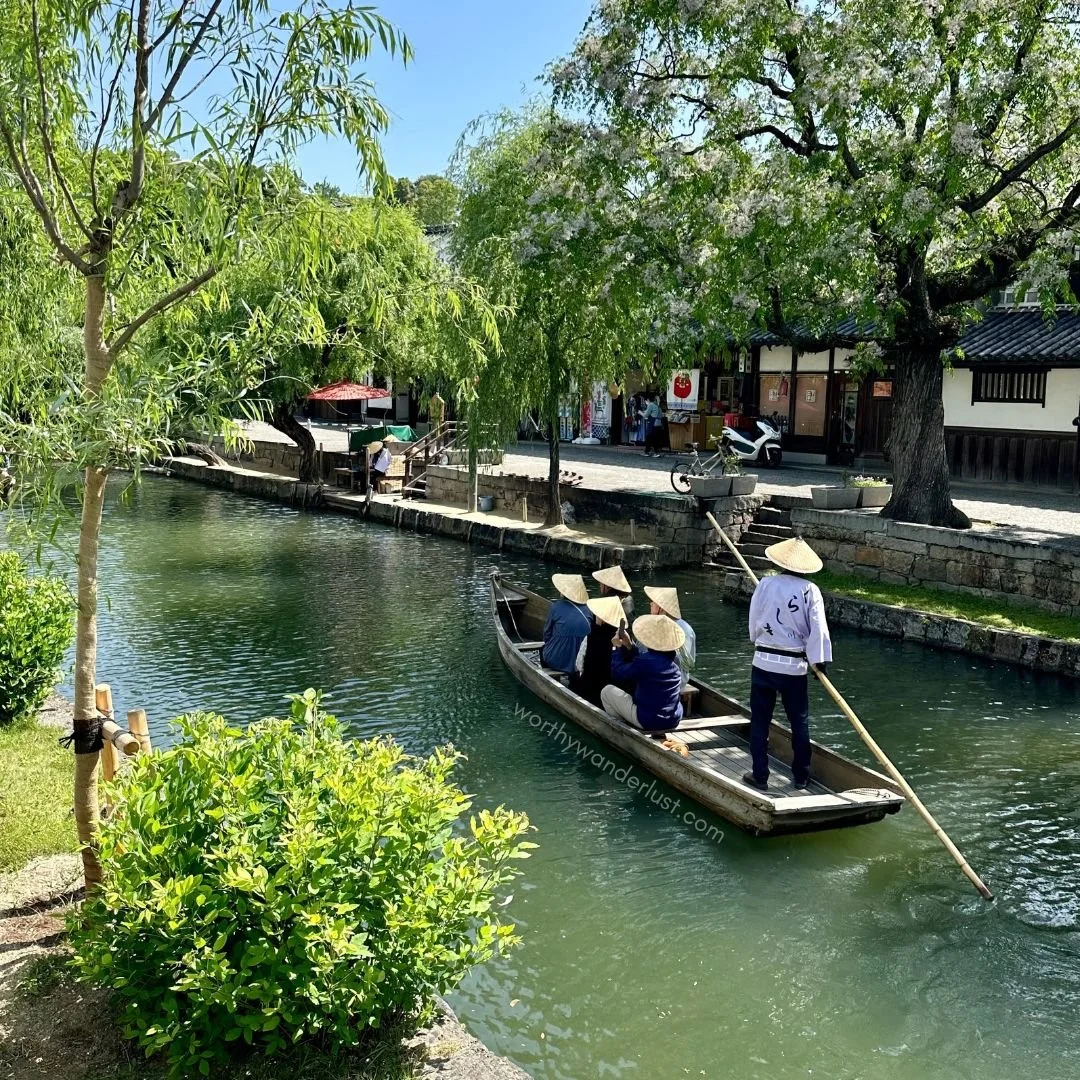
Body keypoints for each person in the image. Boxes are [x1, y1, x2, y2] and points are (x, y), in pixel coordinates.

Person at [743, 536, 832, 792]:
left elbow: (754, 622)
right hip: (794, 667)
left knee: (760, 721)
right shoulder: (810, 590)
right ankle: (802, 776)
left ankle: (760, 775)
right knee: (799, 721)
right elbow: (819, 629)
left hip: (763, 661)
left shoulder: (766, 585)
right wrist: (819, 661)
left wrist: (758, 641)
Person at [600, 615, 685, 731]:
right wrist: (629, 645)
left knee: (606, 691)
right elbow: (645, 664)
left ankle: (621, 729)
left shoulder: (645, 662)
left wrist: (616, 648)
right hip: (674, 719)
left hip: (649, 720)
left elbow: (617, 674)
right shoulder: (675, 661)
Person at [570, 596, 626, 707]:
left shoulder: (593, 637)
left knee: (573, 678)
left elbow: (580, 665)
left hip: (593, 691)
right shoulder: (622, 638)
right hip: (611, 690)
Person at [643, 586, 696, 691]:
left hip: (667, 681)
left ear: (661, 607)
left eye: (653, 602)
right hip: (682, 679)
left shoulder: (661, 628)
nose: (650, 604)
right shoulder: (686, 627)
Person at [541, 574, 594, 674]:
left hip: (556, 660)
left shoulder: (556, 607)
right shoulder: (589, 609)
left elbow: (546, 634)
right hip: (581, 661)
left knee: (542, 650)